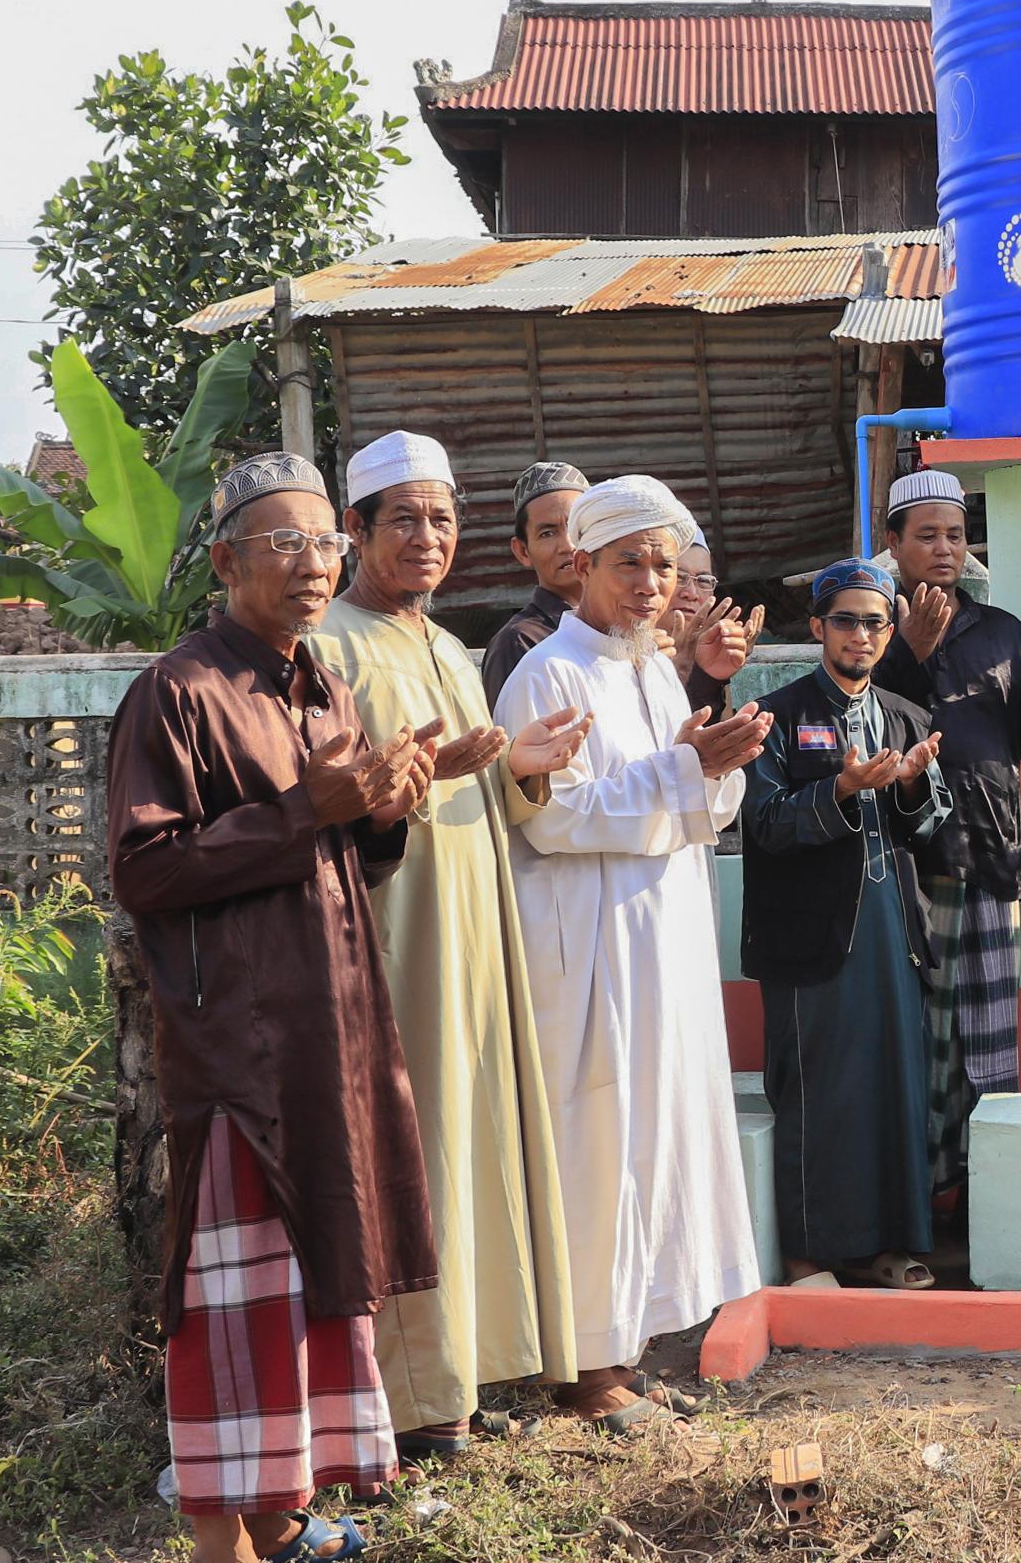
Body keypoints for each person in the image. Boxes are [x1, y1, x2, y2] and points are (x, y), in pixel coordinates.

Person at [108, 452, 438, 1563]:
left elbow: (344, 854)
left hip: (329, 1030)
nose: (312, 566)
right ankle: (220, 1541)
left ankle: (281, 1520)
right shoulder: (178, 690)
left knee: (312, 1278)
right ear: (224, 560)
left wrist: (383, 808)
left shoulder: (323, 688)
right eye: (283, 543)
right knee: (235, 1298)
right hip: (239, 1050)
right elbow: (147, 872)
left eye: (324, 545)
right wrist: (307, 809)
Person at [312, 430, 595, 1454]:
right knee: (415, 1151)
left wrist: (520, 761)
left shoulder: (446, 646)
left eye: (441, 518)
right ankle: (415, 1399)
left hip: (479, 937)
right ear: (354, 531)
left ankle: (470, 1374)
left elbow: (496, 794)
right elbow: (337, 802)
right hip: (399, 940)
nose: (427, 537)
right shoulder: (330, 646)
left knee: (473, 1147)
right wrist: (416, 783)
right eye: (404, 519)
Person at [494, 474, 771, 1429]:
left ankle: (632, 1349)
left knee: (664, 1135)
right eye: (629, 563)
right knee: (600, 1144)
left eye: (663, 562)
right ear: (580, 567)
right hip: (594, 949)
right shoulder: (550, 673)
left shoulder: (657, 669)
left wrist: (717, 765)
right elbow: (553, 818)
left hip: (668, 940)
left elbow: (692, 808)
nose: (651, 582)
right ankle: (583, 1370)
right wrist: (683, 770)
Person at [744, 560, 952, 1290]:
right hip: (811, 936)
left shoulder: (907, 716)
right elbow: (764, 823)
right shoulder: (777, 716)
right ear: (817, 628)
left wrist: (915, 781)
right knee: (816, 1089)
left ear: (890, 632)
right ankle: (809, 1255)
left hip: (891, 928)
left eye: (874, 622)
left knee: (894, 1085)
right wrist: (837, 789)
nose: (860, 634)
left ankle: (888, 1242)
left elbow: (933, 827)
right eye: (845, 620)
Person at [869, 468, 1021, 1185]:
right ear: (893, 544)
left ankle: (991, 1190)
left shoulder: (1001, 631)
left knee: (989, 1040)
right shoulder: (872, 627)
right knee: (925, 1040)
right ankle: (923, 1192)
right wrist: (909, 655)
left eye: (955, 535)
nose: (945, 549)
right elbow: (872, 722)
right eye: (926, 536)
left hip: (989, 857)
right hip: (912, 864)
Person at [483, 460, 589, 709]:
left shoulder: (617, 628)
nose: (568, 546)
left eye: (577, 528)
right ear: (522, 551)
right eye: (548, 533)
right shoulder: (519, 642)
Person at [656, 519, 762, 720]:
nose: (692, 593)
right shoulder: (619, 652)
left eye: (704, 581)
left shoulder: (714, 653)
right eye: (679, 577)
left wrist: (710, 677)